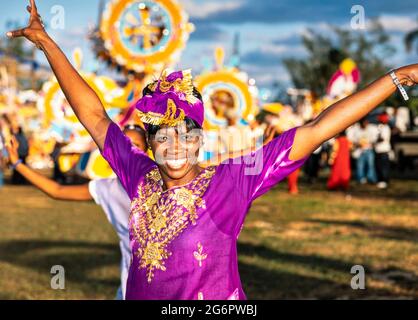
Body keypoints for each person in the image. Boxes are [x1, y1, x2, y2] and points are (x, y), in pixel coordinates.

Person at [8, 0, 418, 299]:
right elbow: (94, 116)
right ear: (149, 144)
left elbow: (316, 129)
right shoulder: (138, 177)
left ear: (199, 140)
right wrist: (45, 43)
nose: (175, 146)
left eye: (185, 135)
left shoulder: (231, 182)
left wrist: (394, 78)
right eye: (163, 137)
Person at [6, 123, 146, 300]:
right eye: (124, 145)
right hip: (129, 288)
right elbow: (58, 191)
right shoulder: (107, 188)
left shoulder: (162, 183)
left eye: (137, 145)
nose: (130, 151)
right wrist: (18, 165)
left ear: (148, 150)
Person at [374, 112, 392, 189]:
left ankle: (385, 181)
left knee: (384, 168)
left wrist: (376, 138)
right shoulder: (379, 127)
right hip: (378, 150)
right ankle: (380, 181)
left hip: (384, 150)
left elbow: (382, 138)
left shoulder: (386, 128)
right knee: (378, 167)